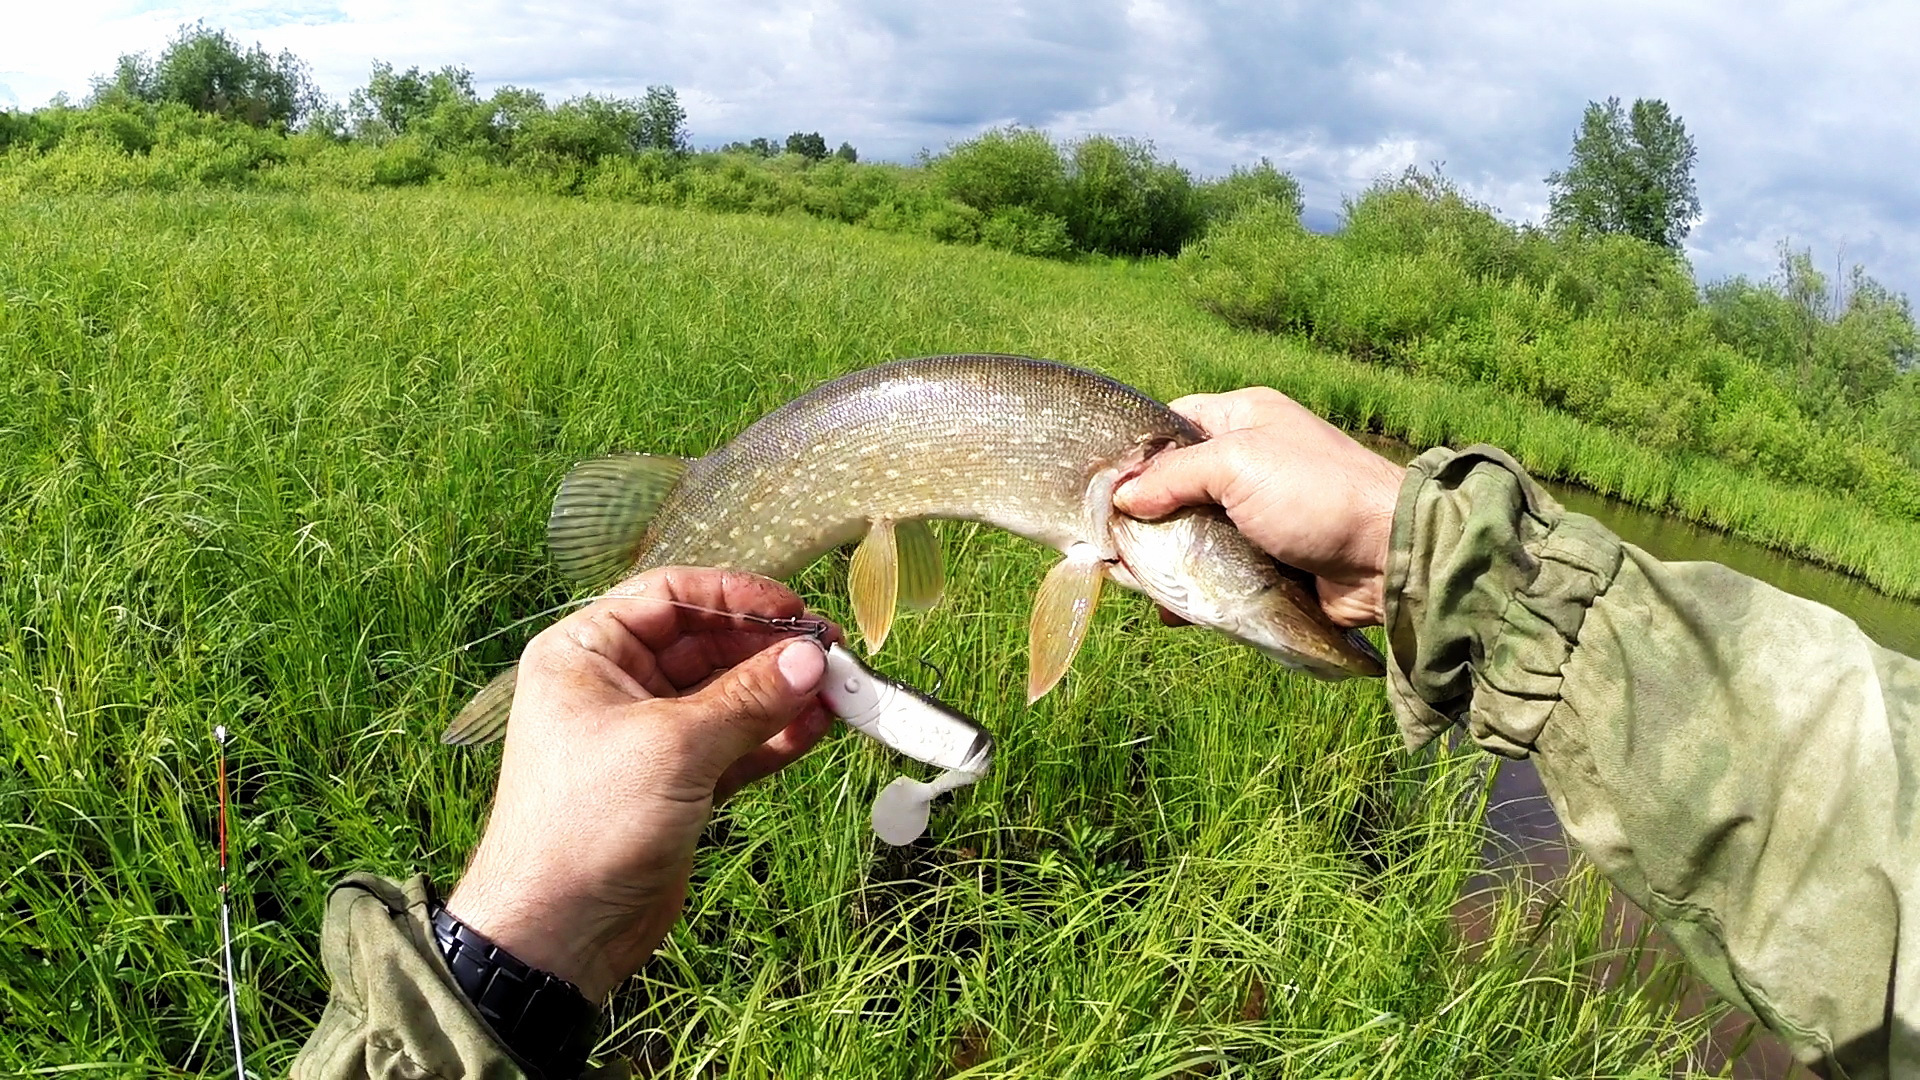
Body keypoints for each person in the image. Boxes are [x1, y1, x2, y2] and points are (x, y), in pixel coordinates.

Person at [295, 389, 1918, 1080]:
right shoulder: (1114, 533)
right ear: (1138, 515)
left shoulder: (1116, 542)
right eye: (1259, 585)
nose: (1291, 618)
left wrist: (493, 959)